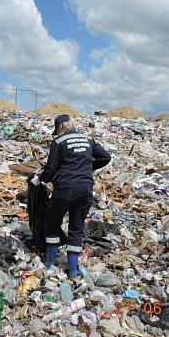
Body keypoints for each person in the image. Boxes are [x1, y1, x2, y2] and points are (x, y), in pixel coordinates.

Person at [31, 114, 111, 278]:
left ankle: (50, 262)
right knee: (77, 228)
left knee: (53, 223)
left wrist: (39, 180)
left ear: (60, 126)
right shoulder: (88, 139)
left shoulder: (59, 142)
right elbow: (106, 157)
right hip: (85, 189)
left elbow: (51, 168)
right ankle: (73, 271)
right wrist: (88, 168)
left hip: (65, 189)